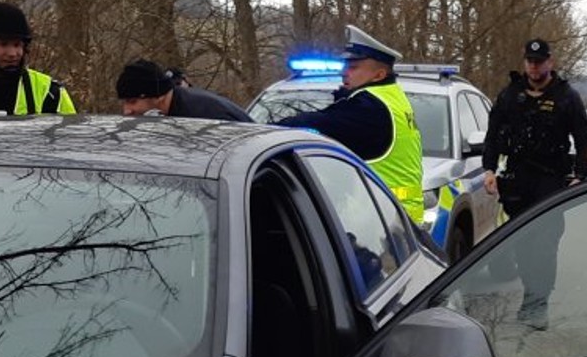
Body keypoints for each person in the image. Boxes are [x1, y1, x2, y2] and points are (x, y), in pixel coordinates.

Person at [482, 38, 587, 329]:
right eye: (530, 62)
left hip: (550, 179)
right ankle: (532, 295)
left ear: (550, 63)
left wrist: (580, 175)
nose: (534, 67)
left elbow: (584, 140)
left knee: (544, 243)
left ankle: (537, 303)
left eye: (540, 61)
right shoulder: (510, 95)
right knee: (522, 242)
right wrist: (489, 169)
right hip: (518, 179)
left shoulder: (566, 97)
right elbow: (492, 135)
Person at [278, 25, 425, 224]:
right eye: (346, 65)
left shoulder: (369, 107)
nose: (344, 72)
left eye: (353, 67)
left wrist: (263, 129)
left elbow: (311, 123)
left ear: (379, 75)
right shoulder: (391, 96)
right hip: (397, 214)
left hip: (384, 219)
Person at [116, 59, 251, 120]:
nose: (126, 111)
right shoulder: (179, 107)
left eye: (132, 101)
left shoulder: (202, 118)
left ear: (158, 96)